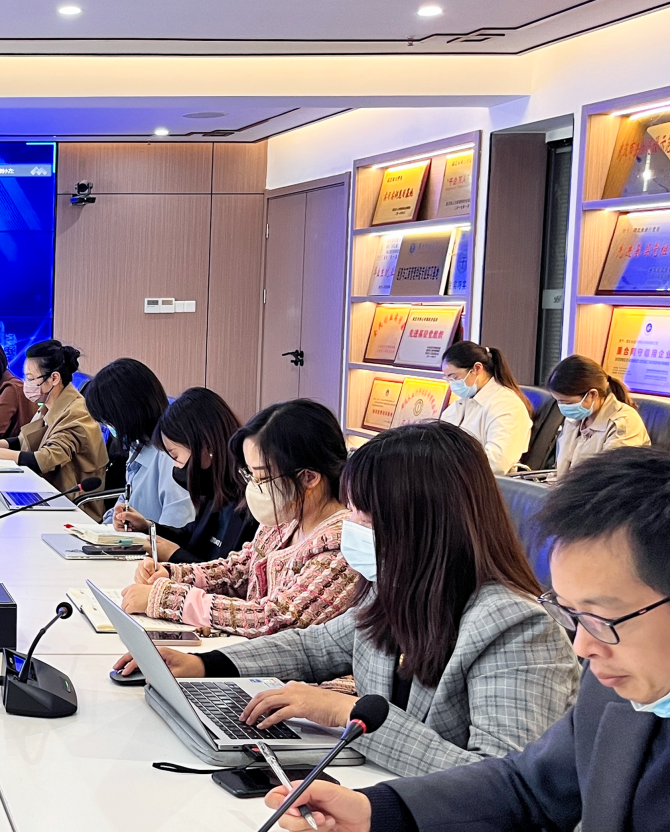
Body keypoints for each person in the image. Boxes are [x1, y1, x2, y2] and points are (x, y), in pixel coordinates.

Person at [117, 422, 578, 777]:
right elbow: (312, 647)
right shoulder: (398, 589)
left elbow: (505, 782)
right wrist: (205, 665)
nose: (348, 525)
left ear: (420, 524)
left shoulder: (516, 628)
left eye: (362, 514)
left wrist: (346, 714)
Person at [262, 447, 670, 832]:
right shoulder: (613, 688)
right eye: (572, 614)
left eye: (601, 618)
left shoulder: (516, 623)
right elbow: (525, 786)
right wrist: (376, 811)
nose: (582, 647)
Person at [120, 399, 359, 637]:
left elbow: (277, 618)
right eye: (250, 475)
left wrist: (168, 599)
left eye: (262, 477)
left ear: (309, 477)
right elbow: (239, 570)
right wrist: (172, 575)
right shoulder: (286, 518)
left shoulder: (343, 547)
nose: (253, 486)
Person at [111, 386, 257, 563]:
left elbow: (227, 574)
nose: (175, 466)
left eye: (175, 457)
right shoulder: (216, 490)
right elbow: (192, 537)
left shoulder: (250, 505)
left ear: (206, 446)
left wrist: (173, 555)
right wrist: (147, 527)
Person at [0, 340, 108, 509]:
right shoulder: (49, 405)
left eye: (31, 379)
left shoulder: (77, 413)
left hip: (72, 504)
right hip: (47, 489)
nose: (26, 384)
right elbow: (24, 440)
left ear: (54, 378)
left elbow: (45, 459)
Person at [82, 358, 195, 531]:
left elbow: (175, 530)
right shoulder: (138, 444)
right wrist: (102, 528)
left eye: (109, 421)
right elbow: (126, 500)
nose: (109, 428)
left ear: (128, 413)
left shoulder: (171, 457)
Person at [438, 340, 533, 476]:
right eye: (448, 379)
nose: (452, 384)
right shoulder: (464, 401)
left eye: (455, 377)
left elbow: (496, 463)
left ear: (477, 368)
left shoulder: (507, 405)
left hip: (482, 481)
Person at [549, 354, 651, 479]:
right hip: (571, 488)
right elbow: (562, 469)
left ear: (592, 394)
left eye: (568, 403)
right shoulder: (575, 419)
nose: (562, 407)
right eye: (558, 401)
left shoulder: (624, 422)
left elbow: (611, 476)